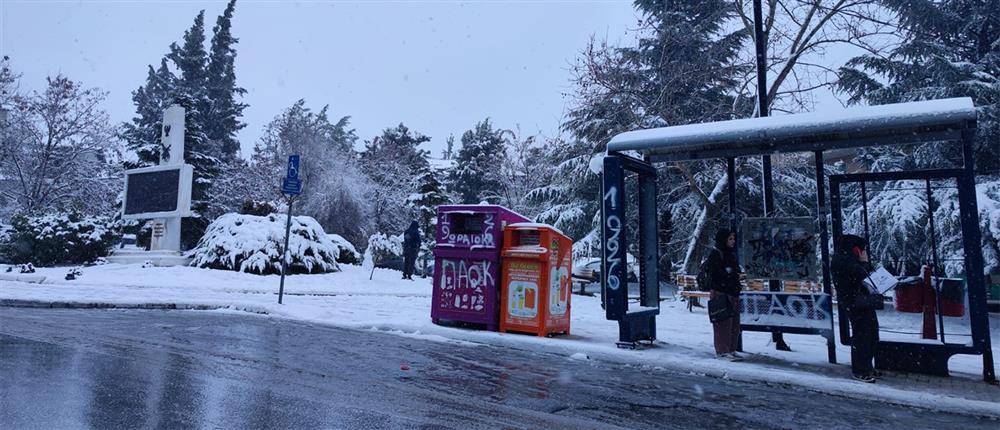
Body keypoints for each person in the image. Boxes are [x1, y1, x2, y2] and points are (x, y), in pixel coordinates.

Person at [831, 234, 880, 383]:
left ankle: (867, 366)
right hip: (854, 301)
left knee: (870, 333)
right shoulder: (844, 260)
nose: (862, 252)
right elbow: (859, 274)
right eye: (861, 249)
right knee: (862, 335)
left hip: (860, 301)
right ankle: (860, 369)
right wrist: (864, 262)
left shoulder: (845, 258)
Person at [705, 228, 744, 361]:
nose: (733, 241)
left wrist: (735, 275)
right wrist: (731, 274)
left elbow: (733, 270)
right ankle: (722, 350)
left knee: (734, 323)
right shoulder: (717, 254)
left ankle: (731, 349)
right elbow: (716, 273)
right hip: (721, 293)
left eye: (734, 239)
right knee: (723, 323)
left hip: (732, 292)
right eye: (730, 239)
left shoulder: (730, 254)